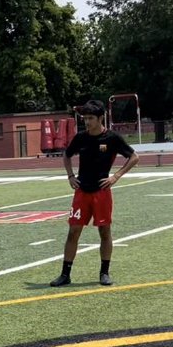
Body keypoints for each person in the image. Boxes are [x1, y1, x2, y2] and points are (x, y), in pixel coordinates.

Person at [50, 100, 138, 287]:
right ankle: (65, 274)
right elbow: (67, 155)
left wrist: (116, 176)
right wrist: (70, 176)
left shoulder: (112, 138)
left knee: (104, 231)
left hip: (102, 192)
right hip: (82, 192)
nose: (87, 122)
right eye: (85, 118)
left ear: (100, 118)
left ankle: (104, 273)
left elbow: (134, 156)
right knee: (73, 231)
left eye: (90, 118)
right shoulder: (81, 138)